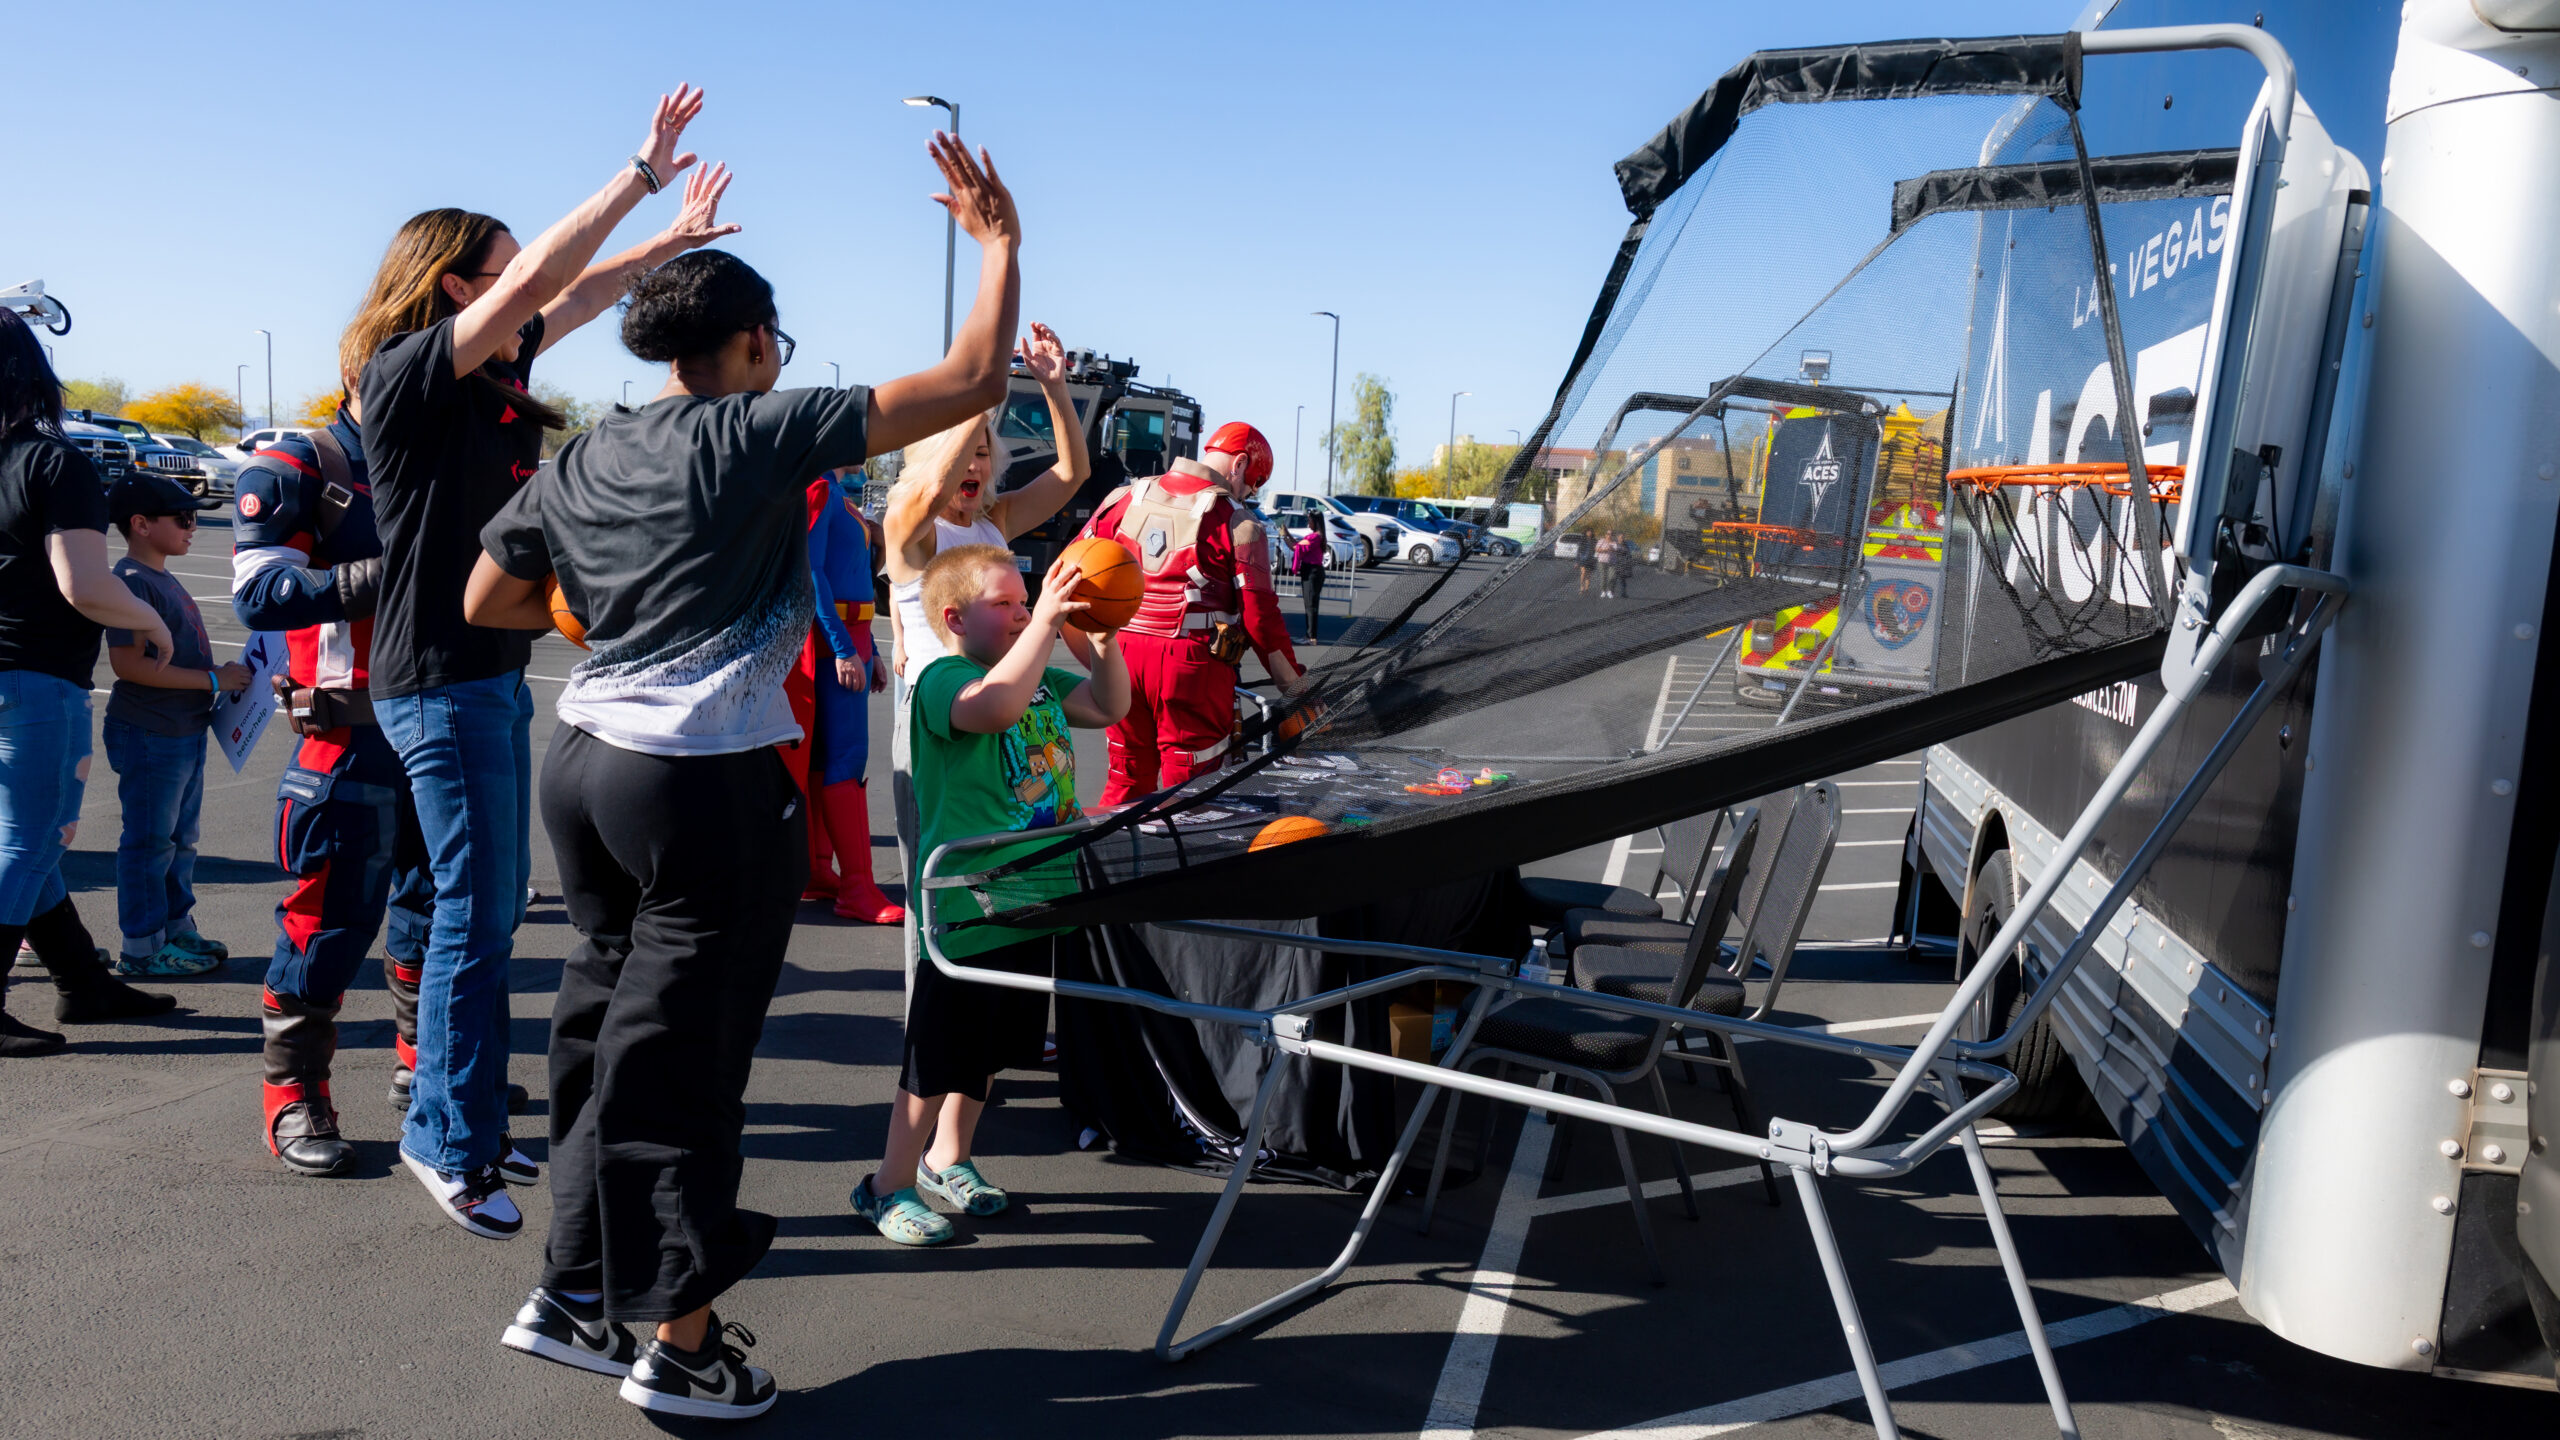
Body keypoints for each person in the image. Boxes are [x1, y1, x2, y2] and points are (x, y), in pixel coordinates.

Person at [461, 131, 1021, 1417]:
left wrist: (613, 622)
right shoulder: (761, 431)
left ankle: (575, 1290)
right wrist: (997, 247)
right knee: (686, 1069)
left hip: (584, 764)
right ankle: (686, 1346)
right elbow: (971, 375)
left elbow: (492, 594)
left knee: (603, 1041)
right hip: (700, 783)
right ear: (758, 344)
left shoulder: (592, 449)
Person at [353, 85, 738, 1238]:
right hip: (435, 677)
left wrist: (666, 247)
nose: (528, 291)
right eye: (503, 272)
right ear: (456, 286)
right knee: (481, 913)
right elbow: (542, 285)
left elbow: (566, 295)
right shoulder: (409, 373)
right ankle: (446, 1138)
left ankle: (460, 1111)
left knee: (476, 908)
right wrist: (639, 175)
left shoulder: (491, 380)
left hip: (475, 676)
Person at [850, 542, 1126, 1246]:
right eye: (1004, 604)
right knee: (937, 1057)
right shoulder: (944, 679)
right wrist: (1044, 629)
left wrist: (1102, 641)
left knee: (988, 1052)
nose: (1023, 614)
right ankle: (886, 1184)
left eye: (1024, 603)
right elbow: (995, 710)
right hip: (968, 906)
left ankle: (951, 1156)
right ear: (953, 616)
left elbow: (1108, 703)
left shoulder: (1033, 677)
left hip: (1033, 893)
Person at [229, 401, 445, 1175]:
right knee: (327, 923)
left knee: (438, 910)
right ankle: (292, 1092)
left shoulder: (460, 450)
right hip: (348, 734)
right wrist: (401, 571)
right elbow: (259, 595)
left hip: (453, 723)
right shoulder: (306, 462)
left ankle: (425, 1067)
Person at [0, 308, 186, 1058]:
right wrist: (154, 619)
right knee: (29, 840)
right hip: (38, 679)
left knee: (29, 841)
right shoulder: (54, 462)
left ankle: (82, 980)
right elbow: (83, 584)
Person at [880, 321, 1087, 982]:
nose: (975, 465)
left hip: (1002, 708)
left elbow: (1072, 472)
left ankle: (991, 1011)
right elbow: (927, 495)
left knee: (1002, 861)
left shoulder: (993, 523)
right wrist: (980, 390)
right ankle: (932, 1020)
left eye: (983, 452)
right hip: (941, 714)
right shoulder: (910, 525)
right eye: (963, 451)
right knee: (938, 882)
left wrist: (1054, 389)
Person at [1078, 420, 1301, 806]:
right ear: (1240, 464)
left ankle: (1112, 863)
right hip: (1192, 669)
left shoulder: (1121, 498)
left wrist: (1095, 658)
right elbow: (1260, 620)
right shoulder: (1239, 522)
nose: (1247, 494)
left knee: (1125, 779)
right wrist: (1295, 687)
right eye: (1252, 483)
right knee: (1193, 795)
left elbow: (1068, 574)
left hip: (1119, 659)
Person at [99, 474, 247, 978]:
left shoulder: (159, 576)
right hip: (149, 733)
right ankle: (142, 948)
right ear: (140, 525)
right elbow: (128, 665)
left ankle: (176, 927)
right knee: (149, 841)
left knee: (181, 839)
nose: (193, 526)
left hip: (180, 730)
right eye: (182, 518)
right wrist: (213, 679)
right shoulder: (129, 583)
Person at [794, 465, 899, 923]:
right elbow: (812, 572)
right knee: (845, 760)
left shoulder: (834, 491)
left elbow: (847, 573)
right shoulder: (820, 489)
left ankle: (819, 871)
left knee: (826, 758)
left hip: (848, 636)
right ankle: (857, 885)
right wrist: (843, 647)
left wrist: (868, 647)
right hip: (833, 639)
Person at [1290, 514, 1328, 643]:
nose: (1308, 522)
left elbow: (1297, 547)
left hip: (1313, 572)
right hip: (1310, 571)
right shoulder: (1316, 536)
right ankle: (1309, 635)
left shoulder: (1315, 537)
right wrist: (1286, 535)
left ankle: (1311, 637)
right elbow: (1297, 545)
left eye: (1310, 520)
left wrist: (1285, 535)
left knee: (1311, 605)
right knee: (1309, 604)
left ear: (1316, 521)